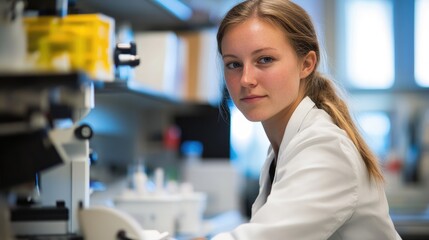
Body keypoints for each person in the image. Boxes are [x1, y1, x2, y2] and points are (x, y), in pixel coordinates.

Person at [209, 0, 402, 239]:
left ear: (307, 64)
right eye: (234, 64)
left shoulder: (326, 148)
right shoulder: (283, 147)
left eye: (265, 60)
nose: (246, 79)